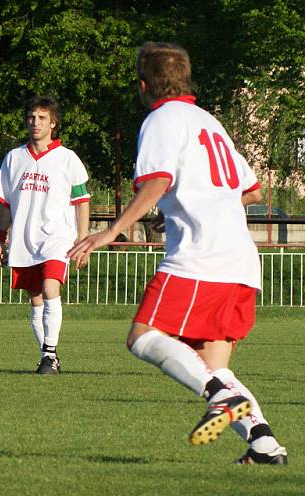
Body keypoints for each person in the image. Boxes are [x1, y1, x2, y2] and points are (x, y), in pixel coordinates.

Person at [68, 42, 287, 465]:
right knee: (213, 365)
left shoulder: (161, 119)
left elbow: (157, 181)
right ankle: (263, 442)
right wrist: (190, 207)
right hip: (240, 260)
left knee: (143, 337)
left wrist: (113, 229)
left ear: (144, 84)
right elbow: (253, 190)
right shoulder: (210, 123)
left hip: (200, 258)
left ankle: (220, 400)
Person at [0, 96, 90, 375]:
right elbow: (6, 204)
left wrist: (82, 238)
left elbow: (82, 200)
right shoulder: (13, 158)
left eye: (42, 118)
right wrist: (1, 238)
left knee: (50, 289)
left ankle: (48, 355)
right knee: (35, 298)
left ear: (53, 123)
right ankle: (50, 355)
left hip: (57, 238)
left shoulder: (67, 158)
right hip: (24, 239)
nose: (35, 123)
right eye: (32, 117)